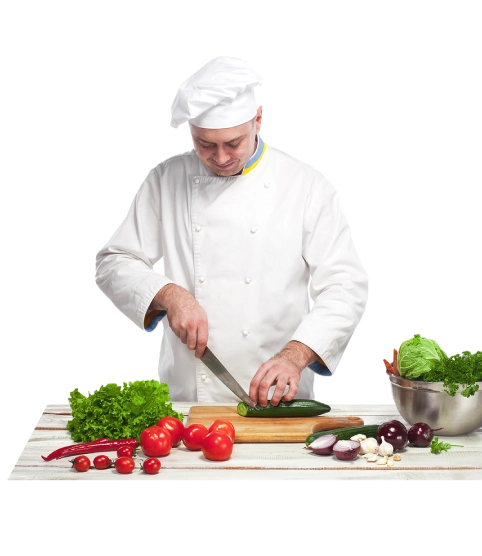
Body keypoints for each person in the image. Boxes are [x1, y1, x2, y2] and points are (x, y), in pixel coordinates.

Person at [95, 56, 368, 408]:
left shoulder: (305, 186)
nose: (220, 157)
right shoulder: (167, 180)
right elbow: (114, 262)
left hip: (279, 395)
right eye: (205, 145)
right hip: (189, 397)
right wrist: (169, 294)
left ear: (258, 119)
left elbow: (344, 286)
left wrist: (296, 355)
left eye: (233, 143)